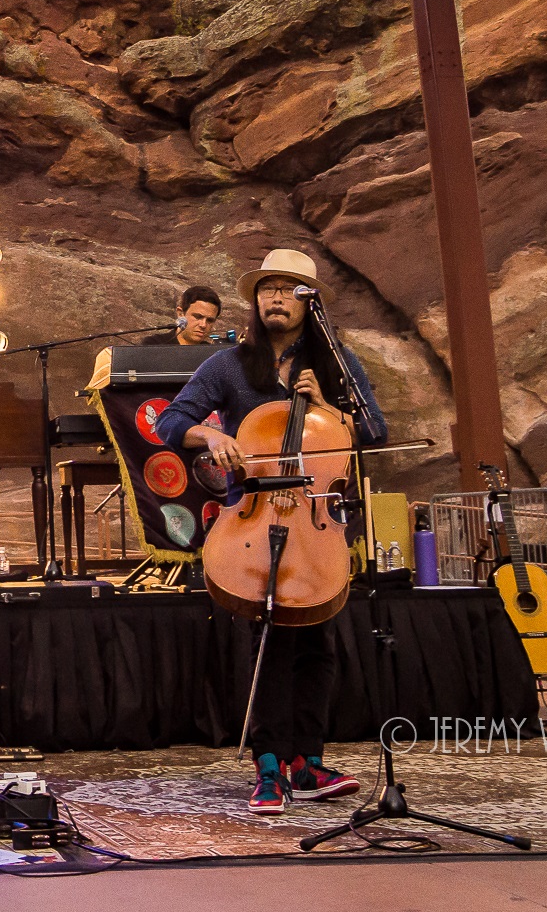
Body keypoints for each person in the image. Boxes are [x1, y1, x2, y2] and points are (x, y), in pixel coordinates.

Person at [154, 248, 386, 815]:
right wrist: (211, 438)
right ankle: (268, 763)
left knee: (320, 641)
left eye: (287, 288)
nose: (275, 297)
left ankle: (307, 758)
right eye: (267, 289)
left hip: (317, 513)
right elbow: (168, 422)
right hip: (256, 515)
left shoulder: (336, 361)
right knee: (272, 640)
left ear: (309, 300)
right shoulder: (231, 365)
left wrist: (328, 406)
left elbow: (375, 430)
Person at [142, 285, 223, 347]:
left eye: (210, 320)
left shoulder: (212, 355)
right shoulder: (154, 345)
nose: (203, 325)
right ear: (180, 314)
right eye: (198, 317)